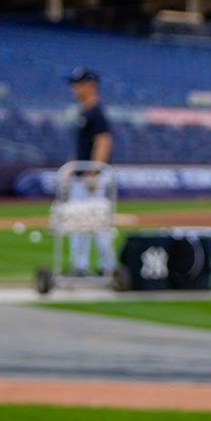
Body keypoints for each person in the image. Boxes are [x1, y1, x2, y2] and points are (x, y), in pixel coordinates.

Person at [65, 67, 115, 276]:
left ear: (90, 85)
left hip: (90, 177)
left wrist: (93, 172)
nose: (74, 88)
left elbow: (103, 140)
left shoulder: (96, 112)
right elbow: (82, 146)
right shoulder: (84, 111)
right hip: (81, 174)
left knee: (96, 221)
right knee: (79, 221)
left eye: (78, 84)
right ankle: (81, 265)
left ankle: (107, 266)